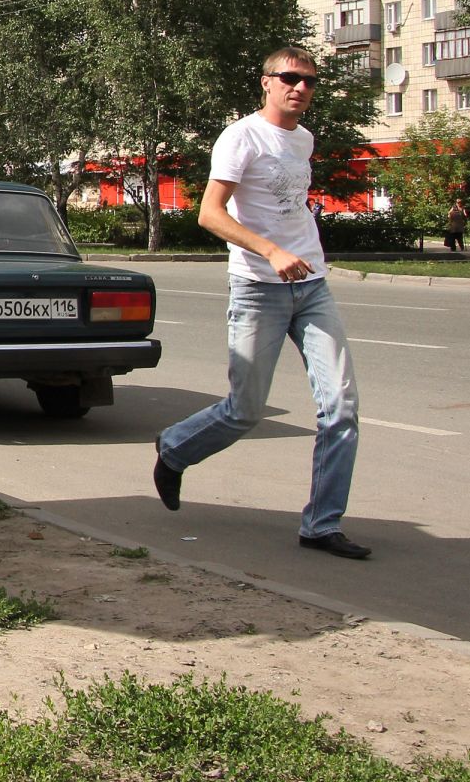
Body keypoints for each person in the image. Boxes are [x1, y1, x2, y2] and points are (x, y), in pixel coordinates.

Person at [152, 47, 368, 559]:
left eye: (310, 81)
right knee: (244, 411)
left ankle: (321, 524)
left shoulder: (304, 140)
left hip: (311, 286)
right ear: (266, 83)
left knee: (342, 407)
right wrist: (271, 250)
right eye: (290, 78)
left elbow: (290, 209)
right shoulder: (241, 136)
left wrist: (302, 251)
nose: (300, 88)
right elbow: (209, 213)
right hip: (257, 287)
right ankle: (176, 449)